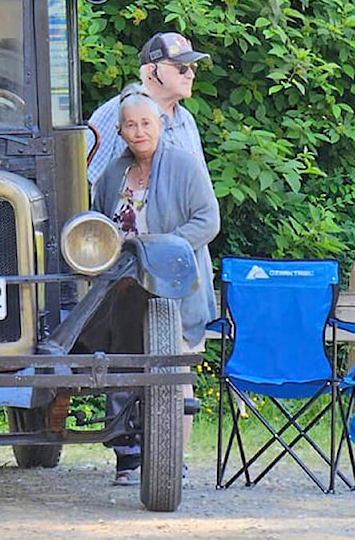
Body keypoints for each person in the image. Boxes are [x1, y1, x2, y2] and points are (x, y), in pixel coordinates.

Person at [92, 85, 220, 486]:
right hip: (124, 287)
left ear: (159, 125)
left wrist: (166, 249)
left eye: (146, 123)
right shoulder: (114, 172)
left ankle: (170, 462)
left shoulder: (185, 166)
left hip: (174, 286)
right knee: (123, 365)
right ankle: (127, 456)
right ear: (121, 131)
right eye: (130, 125)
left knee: (173, 373)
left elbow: (208, 220)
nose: (139, 131)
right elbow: (98, 223)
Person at [86, 31, 211, 186]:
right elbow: (84, 179)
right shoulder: (116, 111)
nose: (190, 75)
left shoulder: (186, 119)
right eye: (182, 67)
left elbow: (203, 186)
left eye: (193, 67)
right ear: (152, 71)